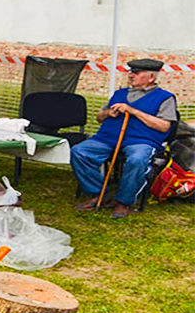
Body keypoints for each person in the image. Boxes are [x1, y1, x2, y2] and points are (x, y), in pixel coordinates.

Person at [72, 58, 178, 218]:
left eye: (136, 73)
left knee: (137, 160)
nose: (131, 75)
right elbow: (99, 118)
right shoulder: (120, 93)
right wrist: (108, 113)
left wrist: (133, 111)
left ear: (151, 78)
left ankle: (123, 202)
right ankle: (99, 195)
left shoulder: (164, 97)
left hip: (141, 141)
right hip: (108, 138)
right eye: (130, 72)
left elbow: (164, 126)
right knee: (79, 152)